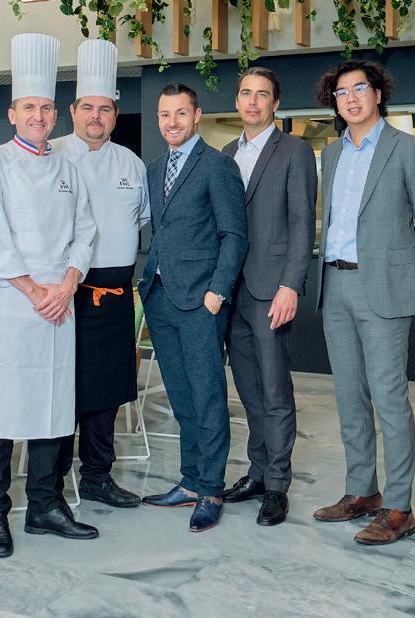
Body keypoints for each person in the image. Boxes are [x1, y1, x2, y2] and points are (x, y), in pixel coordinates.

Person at [0, 32, 100, 559]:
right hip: (14, 302)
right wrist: (33, 290)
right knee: (3, 410)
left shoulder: (68, 167)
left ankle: (45, 506)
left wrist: (67, 284)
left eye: (46, 108)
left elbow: (85, 231)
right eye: (29, 107)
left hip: (59, 304)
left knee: (54, 405)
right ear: (12, 114)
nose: (39, 116)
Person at [311, 60, 415, 545]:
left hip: (383, 288)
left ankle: (399, 508)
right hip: (335, 285)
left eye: (359, 89)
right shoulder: (331, 153)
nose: (350, 99)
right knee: (349, 396)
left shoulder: (408, 149)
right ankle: (361, 491)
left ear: (378, 94)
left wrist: (399, 270)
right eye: (341, 92)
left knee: (389, 398)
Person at [138, 83, 248, 533]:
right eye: (165, 114)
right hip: (160, 297)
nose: (172, 122)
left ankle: (211, 490)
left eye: (180, 113)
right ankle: (189, 481)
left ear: (197, 115)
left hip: (201, 300)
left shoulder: (218, 166)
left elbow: (234, 235)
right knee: (181, 398)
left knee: (207, 397)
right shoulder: (154, 168)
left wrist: (217, 292)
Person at [50, 39, 149, 510]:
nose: (96, 116)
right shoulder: (50, 154)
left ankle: (97, 477)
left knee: (106, 391)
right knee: (61, 387)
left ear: (114, 114)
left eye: (104, 109)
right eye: (87, 107)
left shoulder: (131, 163)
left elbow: (141, 221)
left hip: (114, 293)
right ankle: (50, 483)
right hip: (63, 292)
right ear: (72, 111)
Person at [221, 66, 317, 527]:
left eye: (262, 95)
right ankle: (257, 473)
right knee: (248, 388)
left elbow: (302, 224)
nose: (253, 102)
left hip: (271, 289)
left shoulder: (295, 151)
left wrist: (290, 285)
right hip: (231, 290)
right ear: (237, 101)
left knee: (276, 389)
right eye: (246, 93)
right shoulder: (226, 152)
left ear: (275, 103)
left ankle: (277, 485)